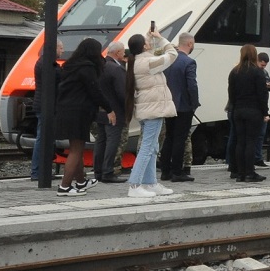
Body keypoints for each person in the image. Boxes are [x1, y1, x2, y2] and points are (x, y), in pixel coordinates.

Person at [125, 30, 179, 199]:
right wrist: (161, 38)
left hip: (146, 107)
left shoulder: (135, 62)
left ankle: (150, 183)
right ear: (144, 47)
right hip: (154, 108)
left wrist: (149, 38)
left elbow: (147, 51)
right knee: (148, 147)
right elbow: (172, 54)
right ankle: (135, 185)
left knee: (152, 146)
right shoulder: (148, 63)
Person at [53, 38, 111, 196]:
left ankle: (80, 182)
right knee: (76, 150)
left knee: (75, 148)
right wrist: (109, 108)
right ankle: (64, 187)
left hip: (66, 110)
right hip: (79, 112)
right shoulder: (87, 68)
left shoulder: (70, 66)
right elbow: (94, 91)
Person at [159, 33, 199, 183]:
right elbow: (192, 86)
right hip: (183, 106)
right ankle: (177, 171)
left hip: (169, 104)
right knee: (180, 139)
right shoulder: (189, 62)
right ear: (189, 44)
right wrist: (194, 103)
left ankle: (165, 171)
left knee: (169, 137)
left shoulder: (168, 60)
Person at [227, 43, 269, 183]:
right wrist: (265, 112)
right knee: (251, 141)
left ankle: (240, 173)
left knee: (240, 141)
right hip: (253, 111)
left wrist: (234, 107)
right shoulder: (258, 72)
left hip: (238, 110)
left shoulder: (234, 71)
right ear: (254, 55)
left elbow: (231, 93)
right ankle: (250, 172)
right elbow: (262, 94)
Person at [92, 40, 128, 182]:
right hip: (115, 111)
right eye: (123, 51)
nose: (124, 53)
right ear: (118, 52)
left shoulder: (100, 67)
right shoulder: (116, 69)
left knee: (100, 141)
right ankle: (108, 172)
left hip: (100, 111)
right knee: (112, 141)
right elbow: (122, 93)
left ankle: (98, 171)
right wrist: (128, 109)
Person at [29, 40, 64, 182]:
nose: (62, 51)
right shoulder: (47, 63)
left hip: (43, 104)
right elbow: (58, 79)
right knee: (43, 139)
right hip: (46, 106)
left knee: (44, 139)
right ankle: (38, 171)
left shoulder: (43, 61)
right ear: (54, 48)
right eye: (61, 48)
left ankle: (41, 170)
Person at [254, 52, 270, 167]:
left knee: (261, 134)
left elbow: (268, 87)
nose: (263, 67)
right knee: (254, 134)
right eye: (261, 65)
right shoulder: (253, 72)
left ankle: (258, 158)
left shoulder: (265, 73)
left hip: (263, 106)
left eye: (264, 65)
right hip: (256, 108)